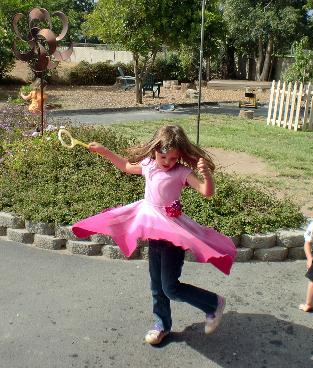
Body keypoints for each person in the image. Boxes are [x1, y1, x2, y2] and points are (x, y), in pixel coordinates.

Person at [72, 125, 237, 345]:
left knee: (170, 288)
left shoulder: (181, 172)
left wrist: (206, 175)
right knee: (156, 286)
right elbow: (126, 166)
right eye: (163, 156)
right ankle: (161, 325)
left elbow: (206, 192)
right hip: (153, 230)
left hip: (172, 235)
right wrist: (104, 151)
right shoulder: (149, 165)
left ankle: (213, 303)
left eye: (173, 158)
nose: (167, 162)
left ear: (179, 156)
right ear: (154, 151)